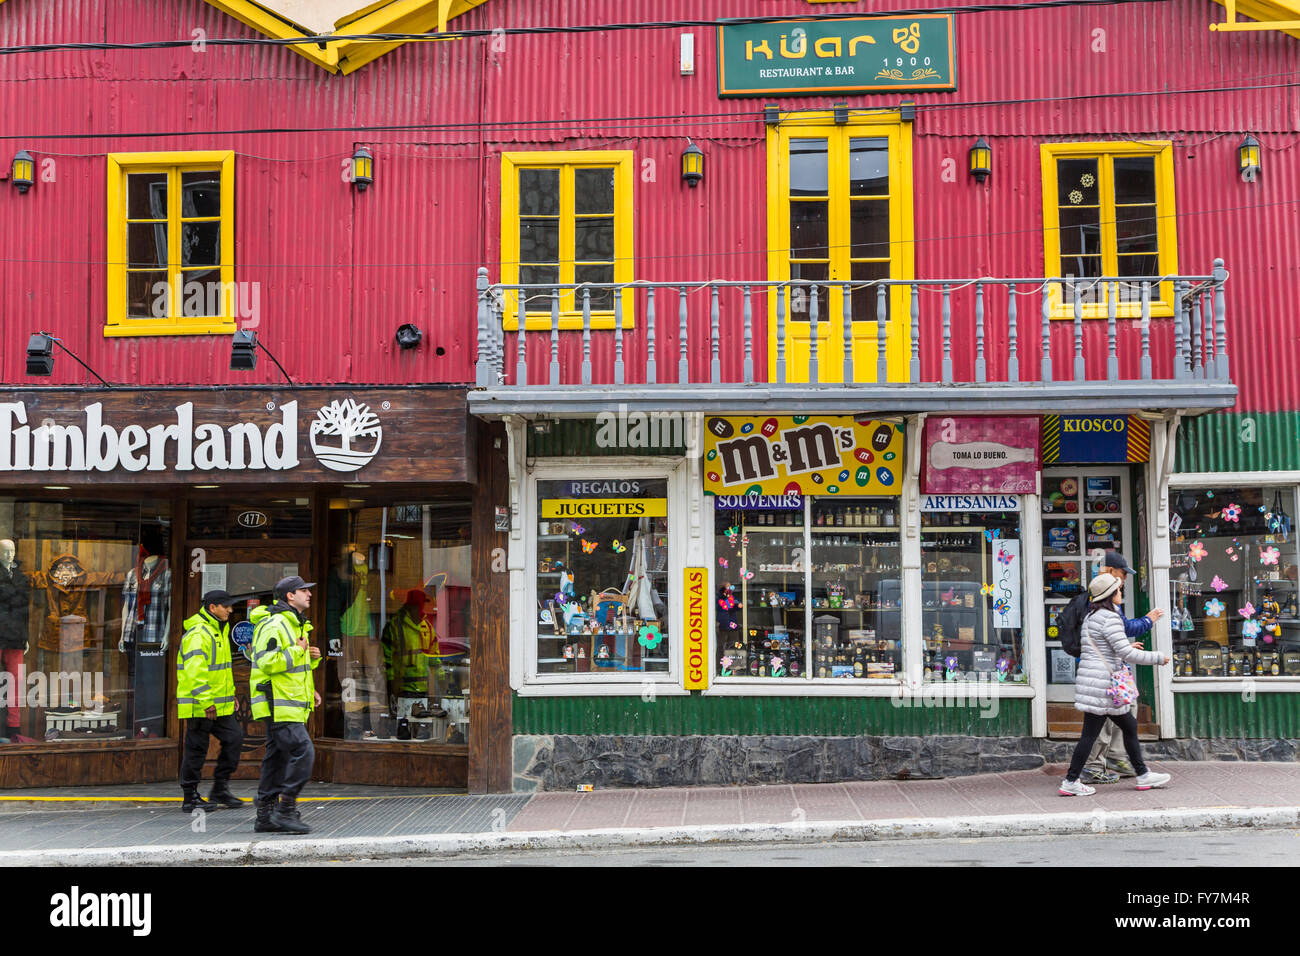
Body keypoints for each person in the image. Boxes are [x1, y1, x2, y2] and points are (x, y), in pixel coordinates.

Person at [1059, 573, 1171, 796]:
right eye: (1119, 590)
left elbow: (1110, 649)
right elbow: (1125, 652)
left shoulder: (1092, 616)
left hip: (1096, 683)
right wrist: (1158, 657)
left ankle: (1142, 774)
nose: (1121, 593)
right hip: (1104, 686)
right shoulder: (1109, 618)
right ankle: (1071, 781)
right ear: (1110, 594)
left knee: (1125, 726)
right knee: (1094, 735)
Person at [1081, 550, 1165, 784]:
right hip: (1103, 676)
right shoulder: (1101, 605)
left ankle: (1115, 761)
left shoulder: (1106, 606)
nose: (1125, 580)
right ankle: (1093, 767)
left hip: (1108, 673)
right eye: (1122, 574)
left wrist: (1123, 644)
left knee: (1123, 714)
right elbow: (1121, 630)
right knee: (1102, 723)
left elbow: (1115, 635)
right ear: (1109, 572)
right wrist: (1148, 622)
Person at [249, 576, 320, 834]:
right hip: (278, 703)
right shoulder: (275, 623)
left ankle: (265, 815)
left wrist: (311, 669)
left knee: (277, 757)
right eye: (304, 590)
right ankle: (285, 809)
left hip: (287, 702)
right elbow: (268, 662)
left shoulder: (295, 624)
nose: (309, 594)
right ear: (290, 596)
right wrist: (298, 651)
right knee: (304, 751)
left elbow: (292, 668)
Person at [177, 590, 243, 812]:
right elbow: (195, 672)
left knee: (234, 738)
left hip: (219, 704)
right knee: (196, 749)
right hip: (201, 706)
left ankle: (220, 788)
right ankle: (190, 797)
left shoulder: (218, 630)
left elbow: (222, 671)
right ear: (212, 607)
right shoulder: (198, 633)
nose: (230, 610)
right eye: (226, 606)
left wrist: (231, 694)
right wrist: (207, 702)